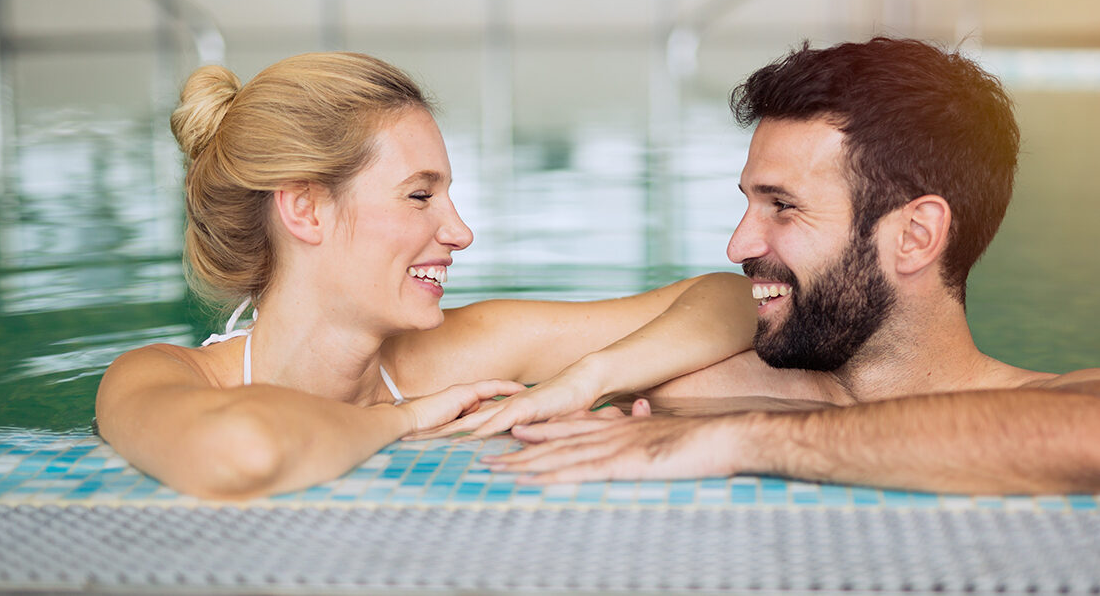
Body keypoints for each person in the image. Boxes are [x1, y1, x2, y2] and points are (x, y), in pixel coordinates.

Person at [482, 38, 1100, 495]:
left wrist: (733, 439)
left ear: (915, 235)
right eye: (750, 202)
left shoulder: (1067, 402)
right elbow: (472, 357)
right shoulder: (703, 376)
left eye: (782, 206)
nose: (737, 243)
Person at [95, 52, 757, 500]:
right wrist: (403, 421)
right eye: (419, 195)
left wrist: (581, 382)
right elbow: (244, 451)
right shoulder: (157, 378)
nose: (460, 231)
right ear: (304, 207)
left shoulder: (464, 351)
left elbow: (735, 299)